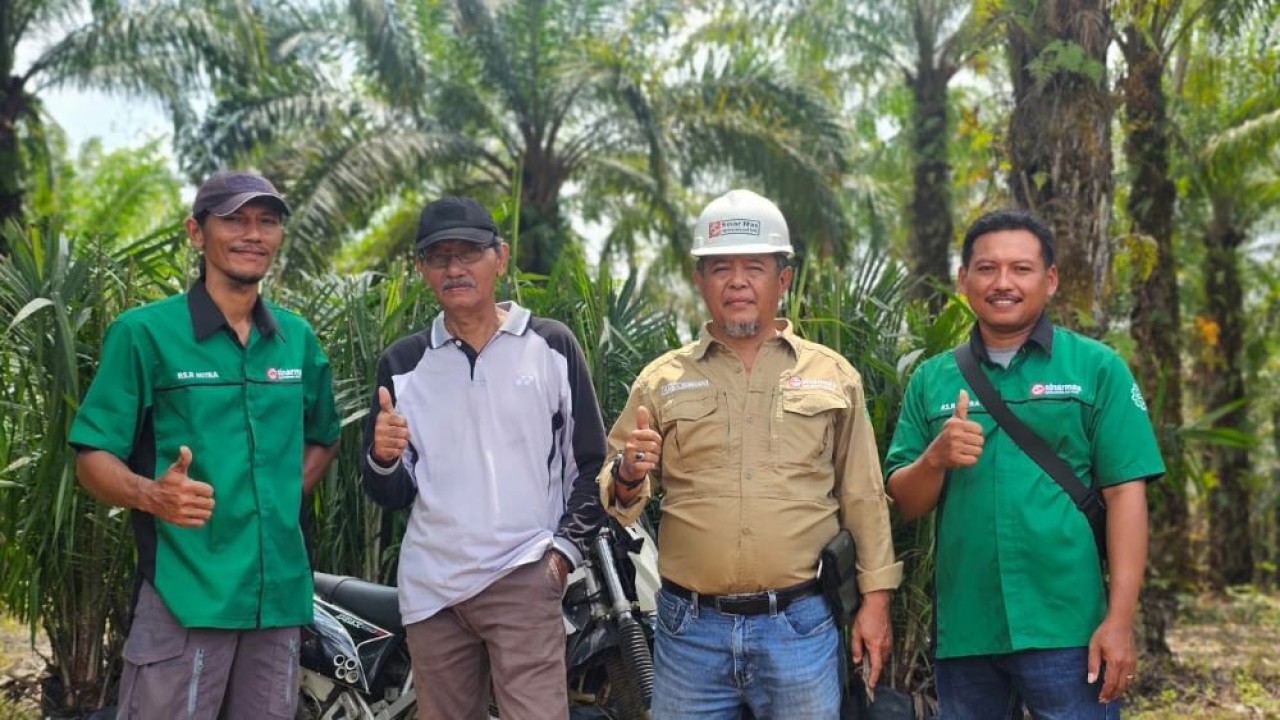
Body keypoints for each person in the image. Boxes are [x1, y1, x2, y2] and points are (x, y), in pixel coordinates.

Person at [599, 189, 903, 719]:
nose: (737, 281)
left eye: (755, 267)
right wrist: (627, 474)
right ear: (701, 281)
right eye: (720, 268)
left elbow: (862, 495)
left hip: (800, 628)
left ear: (781, 280)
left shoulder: (833, 377)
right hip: (689, 631)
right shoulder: (661, 381)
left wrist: (876, 602)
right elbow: (618, 494)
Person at [69, 170, 341, 719]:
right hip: (186, 596)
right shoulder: (144, 333)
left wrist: (281, 494)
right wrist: (152, 495)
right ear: (196, 232)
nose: (253, 234)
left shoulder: (296, 339)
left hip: (278, 600)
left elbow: (323, 436)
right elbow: (91, 458)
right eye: (234, 220)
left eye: (267, 221)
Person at [885, 209, 1164, 719]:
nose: (1003, 283)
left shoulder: (1096, 368)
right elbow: (905, 501)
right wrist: (935, 459)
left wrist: (1120, 620)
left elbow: (1126, 494)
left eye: (1021, 269)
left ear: (1050, 279)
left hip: (1069, 628)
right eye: (987, 269)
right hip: (967, 630)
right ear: (963, 279)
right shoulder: (932, 380)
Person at [362, 196, 608, 720]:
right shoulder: (402, 363)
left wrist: (562, 554)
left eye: (469, 252)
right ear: (421, 269)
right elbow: (392, 492)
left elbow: (590, 463)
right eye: (439, 256)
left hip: (523, 572)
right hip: (433, 591)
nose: (455, 268)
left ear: (500, 256)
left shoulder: (551, 345)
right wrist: (383, 458)